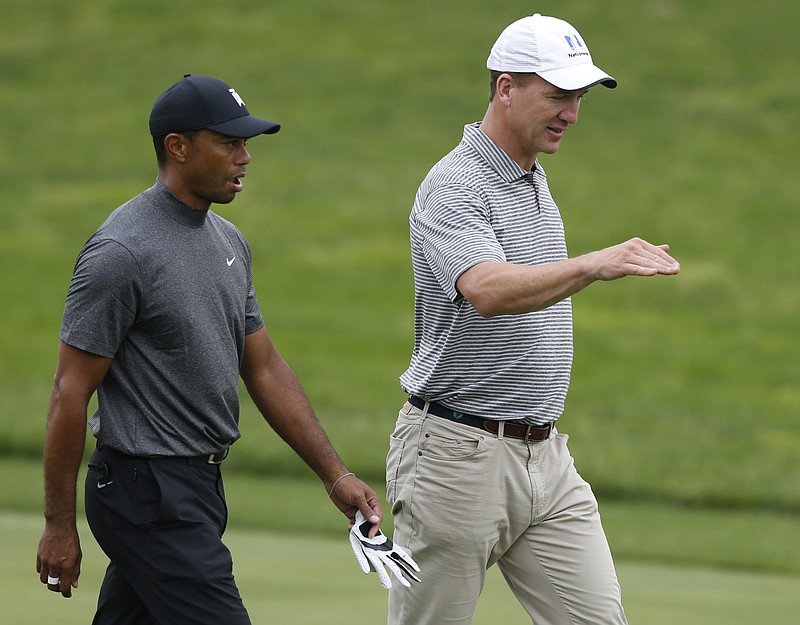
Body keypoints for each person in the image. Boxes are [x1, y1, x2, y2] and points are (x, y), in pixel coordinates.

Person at [35, 74, 384, 624]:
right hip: (146, 493)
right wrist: (59, 524)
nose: (245, 157)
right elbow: (69, 391)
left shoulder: (229, 243)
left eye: (246, 144)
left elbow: (264, 367)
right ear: (178, 146)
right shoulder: (121, 252)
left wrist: (334, 474)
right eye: (229, 143)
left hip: (196, 487)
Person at [387, 13, 680, 625]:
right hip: (455, 456)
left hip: (545, 459)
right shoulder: (454, 185)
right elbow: (487, 289)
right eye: (557, 94)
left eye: (578, 96)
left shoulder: (532, 180)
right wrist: (595, 263)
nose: (572, 112)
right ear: (505, 88)